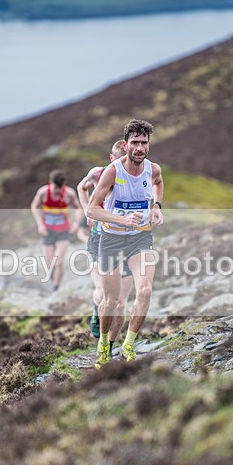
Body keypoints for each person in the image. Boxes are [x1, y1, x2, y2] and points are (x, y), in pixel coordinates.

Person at [86, 119, 163, 368]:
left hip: (140, 237)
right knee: (111, 301)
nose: (139, 148)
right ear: (125, 144)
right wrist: (120, 219)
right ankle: (104, 346)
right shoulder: (113, 172)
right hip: (111, 239)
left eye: (144, 143)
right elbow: (92, 210)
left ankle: (128, 345)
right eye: (135, 143)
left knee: (145, 290)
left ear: (148, 145)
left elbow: (159, 184)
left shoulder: (153, 169)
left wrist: (157, 207)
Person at [77, 140, 134, 348]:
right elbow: (80, 188)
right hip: (99, 240)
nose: (121, 164)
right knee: (103, 294)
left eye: (125, 160)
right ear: (111, 159)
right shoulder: (98, 174)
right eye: (118, 160)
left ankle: (108, 347)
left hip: (126, 244)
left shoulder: (134, 177)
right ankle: (96, 308)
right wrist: (87, 211)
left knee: (120, 304)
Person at [30, 169, 82, 291]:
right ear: (50, 183)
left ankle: (56, 287)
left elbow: (79, 208)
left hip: (63, 231)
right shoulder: (43, 192)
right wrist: (40, 224)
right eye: (55, 188)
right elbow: (34, 206)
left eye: (60, 188)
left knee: (58, 262)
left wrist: (76, 223)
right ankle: (53, 279)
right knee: (49, 264)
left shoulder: (69, 193)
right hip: (47, 231)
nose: (58, 191)